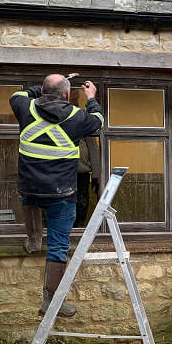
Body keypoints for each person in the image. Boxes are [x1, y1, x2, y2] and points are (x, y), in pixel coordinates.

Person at [11, 73, 104, 318]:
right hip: (61, 194)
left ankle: (32, 239)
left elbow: (18, 94)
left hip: (30, 188)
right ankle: (51, 302)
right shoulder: (78, 117)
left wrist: (44, 85)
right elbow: (99, 120)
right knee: (58, 247)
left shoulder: (24, 106)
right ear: (66, 95)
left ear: (41, 91)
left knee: (29, 199)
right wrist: (91, 97)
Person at [76, 136, 101, 227]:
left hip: (81, 172)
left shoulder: (83, 124)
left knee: (81, 203)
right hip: (61, 172)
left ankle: (78, 229)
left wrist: (96, 176)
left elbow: (93, 151)